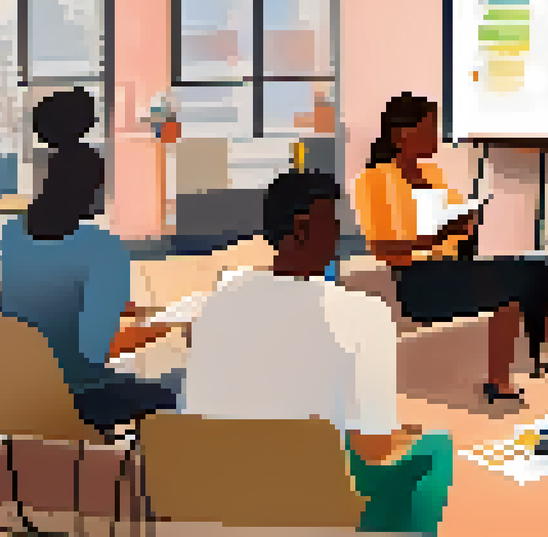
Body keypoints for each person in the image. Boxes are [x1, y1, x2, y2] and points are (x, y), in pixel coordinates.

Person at [182, 171, 454, 535]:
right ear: (301, 229)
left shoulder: (212, 308)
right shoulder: (363, 314)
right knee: (436, 449)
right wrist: (402, 435)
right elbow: (374, 450)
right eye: (332, 221)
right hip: (314, 509)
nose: (339, 233)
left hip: (216, 502)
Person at [353, 94, 548, 403]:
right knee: (515, 281)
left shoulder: (431, 174)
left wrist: (466, 223)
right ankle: (506, 378)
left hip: (452, 265)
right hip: (416, 279)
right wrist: (432, 240)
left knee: (537, 266)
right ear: (402, 134)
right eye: (429, 128)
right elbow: (381, 247)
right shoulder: (373, 181)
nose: (436, 136)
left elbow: (451, 220)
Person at [0, 88, 179, 434]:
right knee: (178, 390)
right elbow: (95, 352)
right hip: (76, 396)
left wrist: (122, 311)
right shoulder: (102, 249)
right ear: (91, 187)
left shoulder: (13, 235)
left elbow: (42, 304)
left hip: (18, 392)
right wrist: (166, 329)